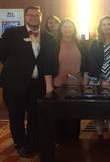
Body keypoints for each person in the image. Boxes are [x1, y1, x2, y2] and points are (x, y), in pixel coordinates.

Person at [0, 6, 56, 157]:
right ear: (25, 17)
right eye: (30, 15)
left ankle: (33, 142)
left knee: (34, 115)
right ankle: (21, 144)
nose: (33, 17)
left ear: (41, 18)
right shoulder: (12, 33)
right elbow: (2, 55)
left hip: (37, 84)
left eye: (36, 15)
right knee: (16, 115)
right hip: (14, 83)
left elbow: (48, 61)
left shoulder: (48, 37)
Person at [46, 18, 88, 143]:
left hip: (76, 85)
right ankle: (59, 139)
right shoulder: (53, 43)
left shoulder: (81, 43)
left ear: (74, 28)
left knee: (74, 115)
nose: (67, 29)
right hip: (59, 84)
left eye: (70, 26)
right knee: (59, 114)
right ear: (61, 29)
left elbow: (86, 64)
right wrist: (49, 85)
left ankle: (73, 139)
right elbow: (47, 65)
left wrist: (85, 79)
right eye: (65, 26)